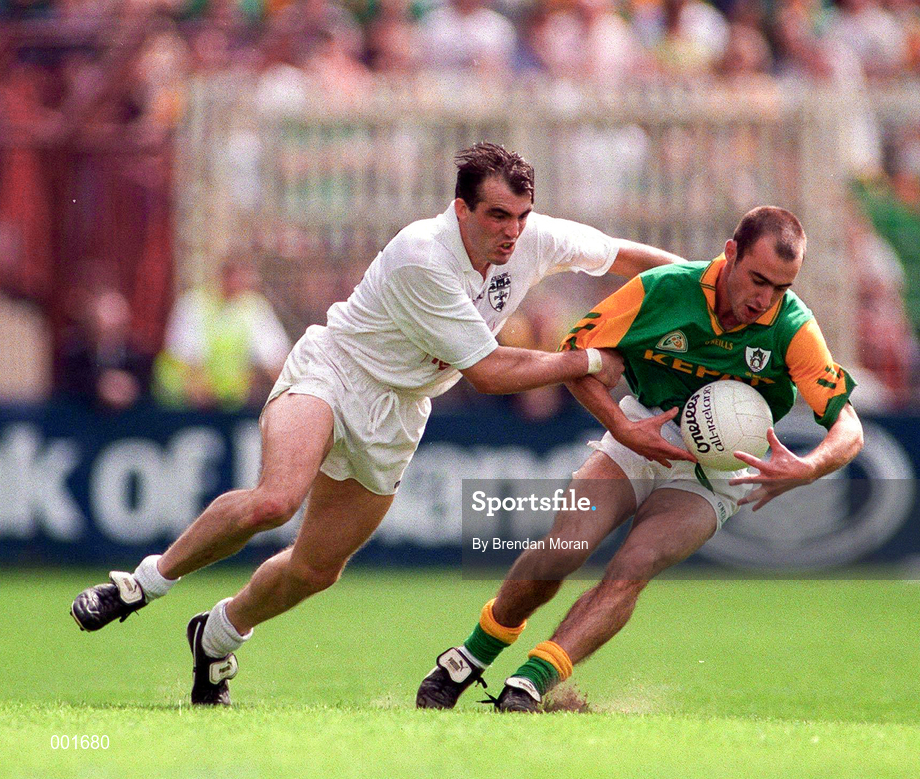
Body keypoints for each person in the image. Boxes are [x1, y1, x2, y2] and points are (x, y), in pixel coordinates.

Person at [70, 142, 684, 706]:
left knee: (315, 570)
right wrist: (591, 361)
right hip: (337, 370)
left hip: (400, 411)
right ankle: (140, 584)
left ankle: (217, 635)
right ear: (461, 209)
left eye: (521, 216)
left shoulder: (534, 238)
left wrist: (704, 284)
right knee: (275, 501)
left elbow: (627, 258)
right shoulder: (423, 256)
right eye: (498, 216)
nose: (512, 231)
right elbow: (490, 373)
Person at [416, 206, 863, 712]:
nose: (765, 300)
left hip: (712, 474)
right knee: (564, 548)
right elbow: (575, 355)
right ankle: (470, 656)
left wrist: (810, 466)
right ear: (731, 254)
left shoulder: (793, 327)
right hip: (638, 432)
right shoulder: (663, 289)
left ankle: (531, 682)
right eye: (758, 280)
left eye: (781, 288)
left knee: (635, 565)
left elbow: (849, 427)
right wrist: (621, 425)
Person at [152, 256, 291, 410]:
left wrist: (287, 399)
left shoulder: (254, 307)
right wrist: (200, 390)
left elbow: (275, 358)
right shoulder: (193, 304)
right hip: (183, 405)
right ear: (222, 276)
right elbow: (184, 357)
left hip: (231, 403)